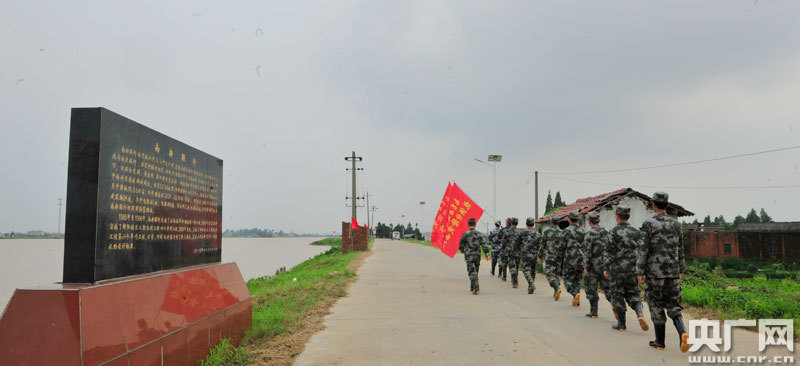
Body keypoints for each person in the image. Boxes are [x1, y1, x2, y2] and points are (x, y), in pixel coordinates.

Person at [638, 192, 689, 352]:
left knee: (656, 305)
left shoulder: (649, 224)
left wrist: (639, 271)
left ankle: (660, 342)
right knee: (674, 306)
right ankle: (683, 333)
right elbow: (680, 249)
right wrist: (681, 269)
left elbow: (644, 250)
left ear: (653, 204)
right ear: (666, 205)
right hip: (673, 272)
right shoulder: (676, 224)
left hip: (654, 273)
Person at [604, 206, 648, 332]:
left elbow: (609, 252)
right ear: (628, 216)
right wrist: (641, 269)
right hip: (633, 269)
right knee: (634, 293)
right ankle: (640, 315)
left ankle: (621, 324)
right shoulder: (637, 231)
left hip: (617, 270)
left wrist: (606, 267)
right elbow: (642, 251)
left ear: (617, 216)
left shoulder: (613, 231)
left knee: (617, 295)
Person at [582, 211, 612, 319]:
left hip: (593, 266)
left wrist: (586, 266)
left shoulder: (589, 234)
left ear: (589, 222)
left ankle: (593, 312)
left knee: (591, 288)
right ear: (599, 220)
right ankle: (615, 306)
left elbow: (587, 252)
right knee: (608, 288)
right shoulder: (606, 232)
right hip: (605, 265)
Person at [458, 218, 491, 295]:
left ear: (468, 224)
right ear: (475, 225)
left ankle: (476, 288)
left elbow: (460, 246)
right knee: (475, 271)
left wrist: (464, 251)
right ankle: (472, 287)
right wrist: (487, 255)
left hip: (469, 256)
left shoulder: (465, 234)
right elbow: (484, 245)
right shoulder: (479, 234)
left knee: (472, 272)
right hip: (477, 256)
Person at [561, 210, 585, 307]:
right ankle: (577, 301)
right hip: (581, 258)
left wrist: (558, 258)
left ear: (569, 219)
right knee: (577, 280)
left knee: (567, 280)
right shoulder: (583, 230)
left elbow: (561, 246)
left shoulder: (566, 231)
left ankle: (575, 294)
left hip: (570, 259)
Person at [539, 214, 564, 301]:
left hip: (549, 256)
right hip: (558, 257)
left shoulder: (547, 232)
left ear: (551, 222)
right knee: (556, 274)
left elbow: (542, 245)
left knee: (550, 274)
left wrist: (540, 255)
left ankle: (557, 288)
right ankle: (556, 292)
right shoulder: (562, 232)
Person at [519, 217, 542, 294]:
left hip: (525, 254)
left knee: (526, 270)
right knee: (533, 271)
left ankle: (531, 284)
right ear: (533, 224)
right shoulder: (538, 234)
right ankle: (530, 288)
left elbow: (517, 243)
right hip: (535, 254)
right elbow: (540, 245)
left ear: (526, 224)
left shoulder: (522, 233)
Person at [505, 217, 522, 288]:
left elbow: (504, 241)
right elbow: (521, 242)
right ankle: (514, 279)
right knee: (516, 266)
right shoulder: (520, 232)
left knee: (512, 266)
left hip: (510, 251)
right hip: (518, 251)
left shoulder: (507, 231)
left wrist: (503, 248)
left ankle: (515, 282)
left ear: (511, 223)